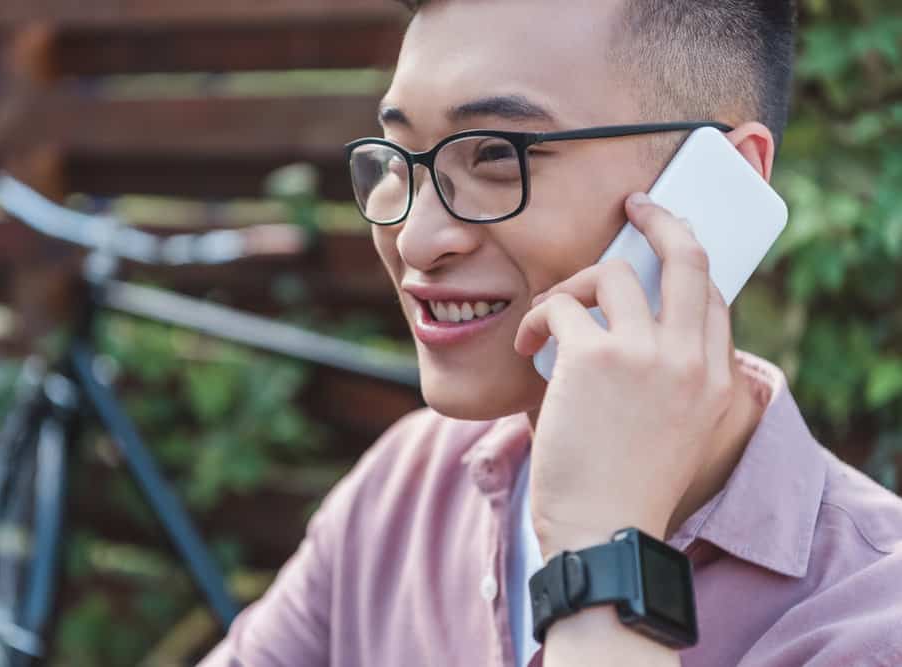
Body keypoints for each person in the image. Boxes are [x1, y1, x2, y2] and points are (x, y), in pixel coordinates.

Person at [200, 1, 902, 665]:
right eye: (397, 156)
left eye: (495, 156)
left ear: (720, 181)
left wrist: (601, 560)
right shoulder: (407, 490)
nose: (414, 239)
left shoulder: (868, 622)